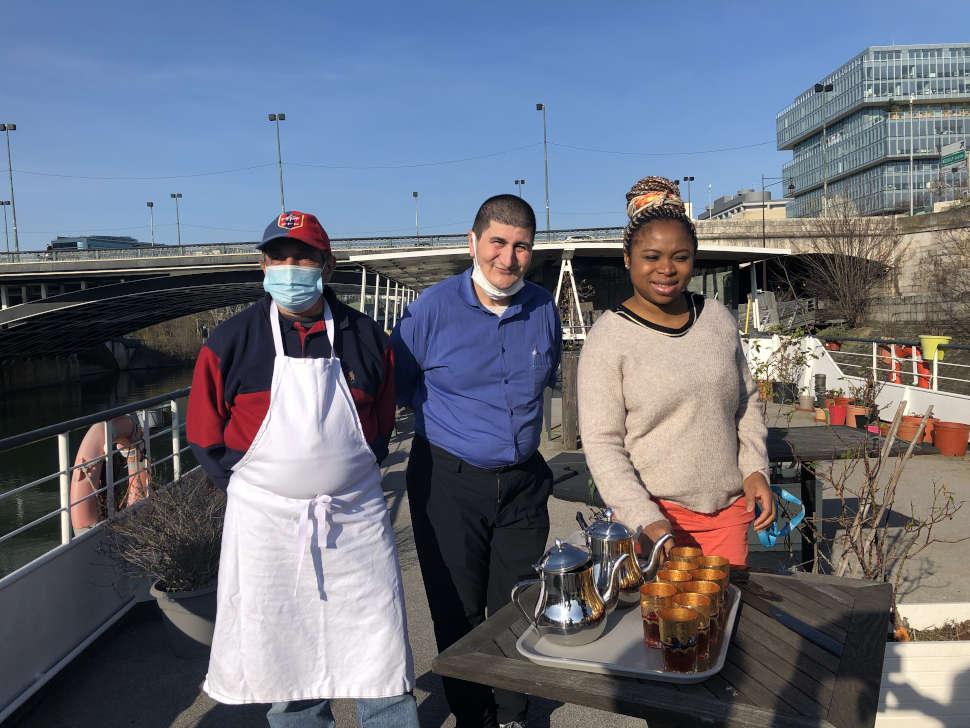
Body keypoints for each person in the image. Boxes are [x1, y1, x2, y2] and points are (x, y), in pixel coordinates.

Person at [187, 210, 418, 728]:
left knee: (378, 650)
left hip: (353, 520)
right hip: (267, 529)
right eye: (280, 257)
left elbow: (380, 426)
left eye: (304, 257)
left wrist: (338, 475)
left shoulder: (366, 337)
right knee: (287, 662)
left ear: (327, 265)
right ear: (263, 265)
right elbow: (204, 433)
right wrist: (258, 492)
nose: (291, 267)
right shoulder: (230, 341)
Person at [392, 195, 561, 728]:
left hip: (522, 483)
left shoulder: (542, 308)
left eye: (521, 247)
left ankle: (511, 712)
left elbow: (549, 374)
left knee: (518, 605)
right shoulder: (430, 310)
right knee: (457, 610)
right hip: (448, 480)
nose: (508, 258)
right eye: (497, 243)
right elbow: (399, 384)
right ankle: (474, 716)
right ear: (472, 242)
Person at [577, 177, 775, 567]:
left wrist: (754, 468)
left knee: (724, 620)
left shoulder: (718, 320)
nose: (666, 269)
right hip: (654, 524)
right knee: (659, 626)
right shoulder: (608, 339)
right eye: (651, 256)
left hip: (728, 515)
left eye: (680, 257)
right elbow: (602, 444)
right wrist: (642, 516)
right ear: (627, 258)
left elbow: (746, 402)